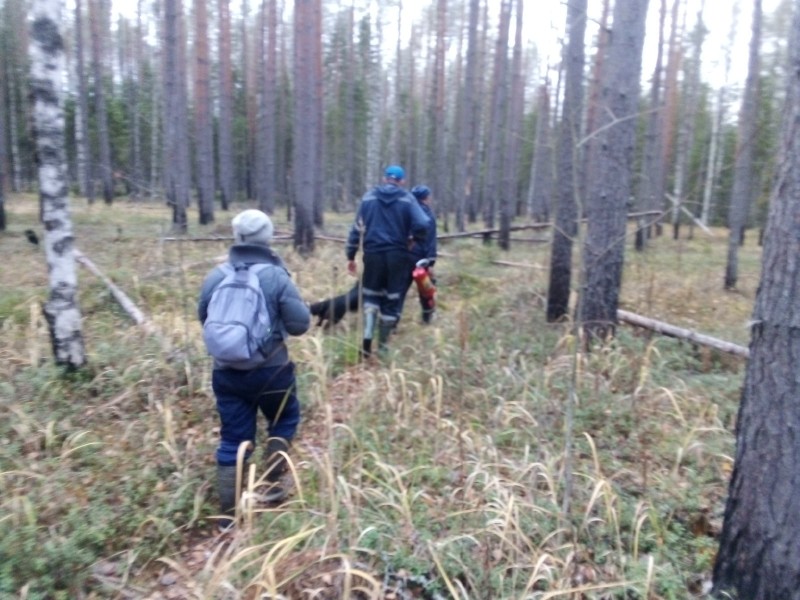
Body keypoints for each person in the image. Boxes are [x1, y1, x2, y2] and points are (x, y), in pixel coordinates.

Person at [198, 209, 310, 529]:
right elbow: (300, 324)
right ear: (268, 237)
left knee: (233, 439)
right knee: (284, 419)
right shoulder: (275, 276)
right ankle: (273, 485)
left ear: (237, 236)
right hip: (272, 370)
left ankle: (227, 515)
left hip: (226, 374)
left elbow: (204, 318)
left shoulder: (217, 275)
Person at [310, 184, 438, 327]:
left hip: (384, 257)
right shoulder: (424, 215)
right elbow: (430, 242)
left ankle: (322, 309)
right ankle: (419, 320)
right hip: (411, 261)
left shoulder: (401, 207)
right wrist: (430, 262)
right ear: (426, 198)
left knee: (361, 293)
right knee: (424, 290)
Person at [346, 165, 430, 357]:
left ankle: (367, 339)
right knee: (391, 300)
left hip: (373, 254)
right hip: (397, 256)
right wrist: (413, 239)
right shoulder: (407, 199)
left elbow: (356, 229)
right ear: (402, 181)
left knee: (371, 295)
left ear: (385, 179)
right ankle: (382, 348)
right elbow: (423, 223)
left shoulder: (368, 198)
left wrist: (350, 255)